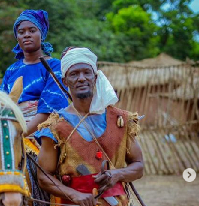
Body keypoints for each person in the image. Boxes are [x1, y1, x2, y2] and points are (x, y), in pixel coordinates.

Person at [36, 47, 144, 206]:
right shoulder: (55, 126)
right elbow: (44, 176)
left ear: (95, 77)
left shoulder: (121, 120)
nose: (81, 78)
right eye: (74, 74)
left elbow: (139, 166)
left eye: (87, 72)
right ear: (65, 81)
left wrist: (117, 174)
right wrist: (74, 195)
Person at [0, 9, 68, 205]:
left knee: (36, 169)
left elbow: (48, 110)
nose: (26, 34)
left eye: (32, 30)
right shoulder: (12, 70)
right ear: (17, 37)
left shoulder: (54, 66)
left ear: (42, 34)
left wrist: (18, 136)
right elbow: (3, 105)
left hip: (42, 131)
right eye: (21, 32)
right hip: (11, 127)